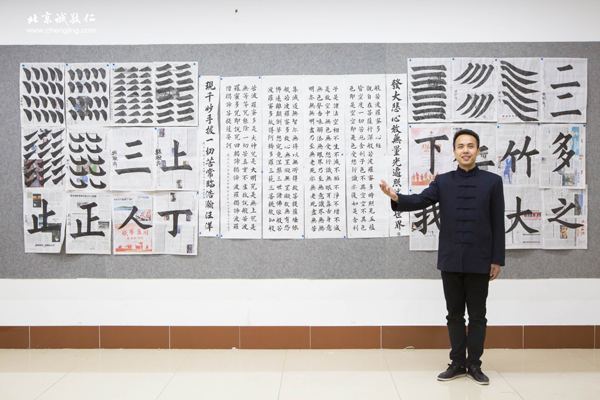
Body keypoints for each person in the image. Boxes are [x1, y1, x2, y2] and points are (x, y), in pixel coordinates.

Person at [379, 129, 505, 385]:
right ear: (455, 151)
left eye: (470, 146)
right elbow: (420, 200)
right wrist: (396, 197)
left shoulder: (492, 182)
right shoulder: (443, 181)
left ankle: (474, 364)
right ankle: (457, 362)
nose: (466, 150)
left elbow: (497, 222)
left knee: (478, 316)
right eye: (461, 146)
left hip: (480, 259)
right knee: (454, 314)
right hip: (451, 258)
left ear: (478, 151)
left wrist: (496, 259)